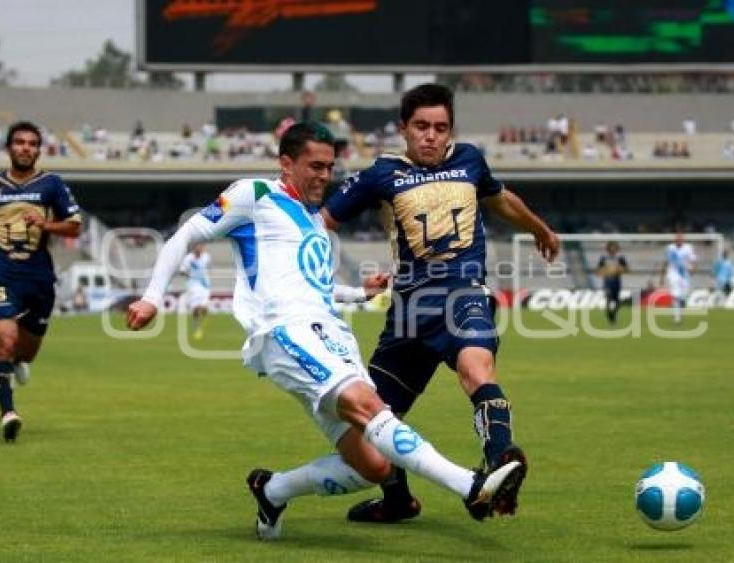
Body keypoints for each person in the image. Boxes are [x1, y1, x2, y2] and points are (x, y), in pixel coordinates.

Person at [126, 123, 525, 540]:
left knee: (373, 466)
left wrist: (357, 293)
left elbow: (311, 286)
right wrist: (153, 296)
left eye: (329, 167)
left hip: (331, 335)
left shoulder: (314, 219)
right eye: (314, 166)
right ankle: (472, 487)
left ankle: (273, 490)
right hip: (286, 333)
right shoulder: (254, 195)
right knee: (368, 406)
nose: (324, 176)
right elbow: (185, 236)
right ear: (286, 163)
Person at [321, 84, 559, 523]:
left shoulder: (470, 160)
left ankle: (501, 463)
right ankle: (398, 501)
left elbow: (501, 199)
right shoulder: (381, 174)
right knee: (371, 419)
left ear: (451, 130)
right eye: (422, 127)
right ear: (404, 129)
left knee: (476, 369)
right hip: (409, 311)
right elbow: (324, 223)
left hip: (464, 293)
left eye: (440, 127)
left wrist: (538, 228)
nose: (431, 136)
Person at [0, 121, 82, 442]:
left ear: (38, 150)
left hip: (39, 278)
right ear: (9, 147)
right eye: (19, 142)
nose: (25, 148)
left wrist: (45, 224)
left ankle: (18, 362)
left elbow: (74, 227)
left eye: (31, 143)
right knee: (5, 340)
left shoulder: (52, 184)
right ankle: (8, 414)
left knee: (25, 353)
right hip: (0, 272)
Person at [660, 232, 697, 324]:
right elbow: (666, 262)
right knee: (675, 296)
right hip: (673, 274)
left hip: (685, 276)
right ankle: (677, 318)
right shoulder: (670, 248)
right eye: (677, 239)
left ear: (683, 240)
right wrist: (662, 277)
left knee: (683, 297)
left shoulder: (688, 248)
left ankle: (678, 312)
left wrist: (693, 269)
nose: (678, 241)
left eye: (680, 239)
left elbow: (692, 261)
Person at [180, 242, 211, 340]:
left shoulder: (206, 257)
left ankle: (200, 326)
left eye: (202, 246)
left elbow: (207, 268)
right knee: (196, 308)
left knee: (204, 307)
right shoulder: (188, 259)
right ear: (194, 247)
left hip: (205, 285)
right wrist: (186, 273)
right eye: (199, 246)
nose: (201, 247)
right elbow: (182, 271)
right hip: (193, 285)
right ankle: (197, 326)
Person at [596, 242, 629, 325]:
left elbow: (627, 269)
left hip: (616, 280)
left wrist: (620, 269)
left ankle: (612, 314)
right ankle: (609, 314)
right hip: (607, 280)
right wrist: (603, 272)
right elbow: (598, 269)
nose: (613, 249)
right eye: (611, 247)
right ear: (608, 248)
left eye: (614, 247)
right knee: (609, 298)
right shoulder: (604, 258)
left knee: (617, 301)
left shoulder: (620, 258)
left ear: (617, 248)